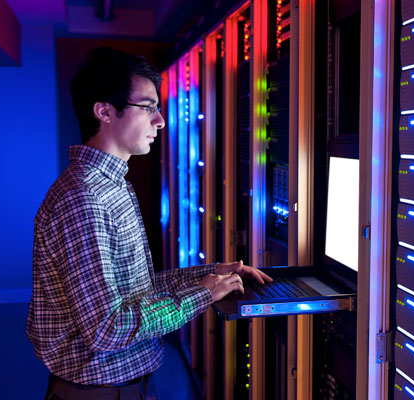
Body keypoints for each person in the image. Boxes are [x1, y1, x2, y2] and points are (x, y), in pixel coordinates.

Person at [27, 47, 271, 400]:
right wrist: (203, 294)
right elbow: (107, 329)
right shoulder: (84, 198)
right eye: (148, 107)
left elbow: (132, 292)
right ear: (104, 111)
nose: (160, 120)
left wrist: (212, 273)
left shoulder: (111, 185)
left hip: (124, 388)